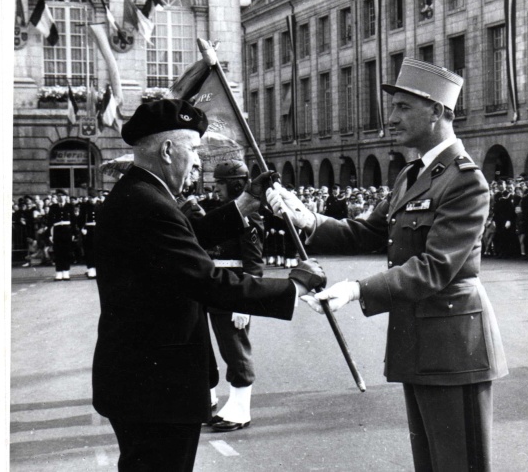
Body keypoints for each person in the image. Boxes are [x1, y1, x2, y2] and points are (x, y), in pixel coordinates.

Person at [269, 58, 508, 472]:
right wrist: (306, 217)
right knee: (431, 465)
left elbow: (436, 267)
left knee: (458, 464)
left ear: (437, 111)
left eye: (403, 107)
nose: (391, 117)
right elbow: (366, 232)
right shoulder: (413, 175)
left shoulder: (465, 179)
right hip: (419, 342)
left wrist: (358, 288)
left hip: (454, 350)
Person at [91, 98, 326, 472]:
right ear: (168, 150)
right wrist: (293, 286)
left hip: (144, 381)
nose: (199, 162)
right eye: (194, 149)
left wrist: (245, 202)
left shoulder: (142, 194)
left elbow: (188, 235)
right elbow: (206, 280)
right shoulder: (151, 205)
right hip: (157, 387)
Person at [202, 159, 264, 432]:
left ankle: (240, 409)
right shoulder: (223, 211)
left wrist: (244, 303)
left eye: (220, 184)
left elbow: (254, 264)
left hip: (234, 289)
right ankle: (216, 399)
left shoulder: (250, 216)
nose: (216, 189)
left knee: (235, 348)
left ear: (236, 184)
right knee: (214, 346)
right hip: (214, 288)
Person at [47, 191, 74, 281]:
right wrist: (49, 234)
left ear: (66, 197)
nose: (61, 197)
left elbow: (74, 221)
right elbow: (49, 221)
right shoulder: (53, 207)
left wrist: (74, 233)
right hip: (57, 231)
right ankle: (59, 272)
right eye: (59, 196)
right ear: (57, 197)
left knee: (66, 252)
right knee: (58, 252)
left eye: (62, 196)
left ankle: (66, 272)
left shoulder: (70, 206)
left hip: (67, 231)